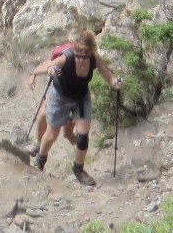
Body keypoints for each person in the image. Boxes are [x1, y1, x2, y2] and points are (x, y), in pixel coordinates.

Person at [29, 28, 123, 187]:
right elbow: (46, 66)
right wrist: (34, 75)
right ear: (75, 47)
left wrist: (115, 82)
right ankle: (40, 161)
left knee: (83, 135)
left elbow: (107, 75)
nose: (81, 56)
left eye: (85, 53)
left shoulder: (94, 58)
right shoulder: (67, 57)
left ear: (90, 50)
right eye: (78, 51)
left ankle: (78, 169)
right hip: (60, 97)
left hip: (81, 97)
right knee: (51, 134)